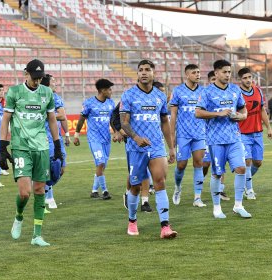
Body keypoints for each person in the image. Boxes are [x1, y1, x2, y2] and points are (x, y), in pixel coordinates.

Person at [0, 59, 63, 247]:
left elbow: (52, 119)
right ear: (25, 74)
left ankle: (37, 235)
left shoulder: (47, 92)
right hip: (21, 147)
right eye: (34, 77)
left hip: (41, 148)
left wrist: (57, 145)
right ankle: (18, 217)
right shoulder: (15, 92)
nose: (37, 81)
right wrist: (3, 147)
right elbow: (5, 120)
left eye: (40, 78)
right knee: (25, 193)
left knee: (39, 190)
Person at [120, 59, 177, 238]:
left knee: (160, 182)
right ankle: (132, 220)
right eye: (141, 70)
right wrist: (136, 138)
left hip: (156, 146)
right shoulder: (128, 95)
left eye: (147, 70)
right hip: (135, 148)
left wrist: (171, 147)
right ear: (137, 74)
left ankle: (165, 227)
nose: (144, 72)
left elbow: (164, 122)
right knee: (135, 186)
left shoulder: (160, 96)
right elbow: (124, 122)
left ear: (153, 73)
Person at [196, 59, 252, 219]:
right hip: (215, 140)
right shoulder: (207, 92)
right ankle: (216, 208)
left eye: (229, 72)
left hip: (234, 138)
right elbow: (198, 112)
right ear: (216, 73)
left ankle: (238, 205)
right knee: (217, 174)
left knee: (241, 168)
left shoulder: (235, 90)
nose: (227, 75)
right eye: (224, 72)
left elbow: (243, 108)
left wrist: (242, 116)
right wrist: (217, 113)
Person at [169, 64, 206, 207]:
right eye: (194, 72)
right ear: (187, 75)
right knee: (181, 165)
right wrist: (172, 137)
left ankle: (197, 197)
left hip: (200, 134)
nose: (197, 75)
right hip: (183, 135)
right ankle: (178, 187)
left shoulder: (203, 91)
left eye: (198, 72)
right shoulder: (177, 91)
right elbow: (173, 116)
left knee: (198, 162)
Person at [73, 79, 115, 200]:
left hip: (106, 139)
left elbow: (112, 120)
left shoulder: (111, 103)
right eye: (109, 89)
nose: (111, 91)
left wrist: (116, 132)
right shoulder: (89, 103)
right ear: (102, 90)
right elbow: (81, 119)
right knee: (100, 162)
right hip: (94, 138)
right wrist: (76, 134)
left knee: (102, 166)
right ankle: (105, 191)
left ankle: (94, 190)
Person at [238, 67, 272, 200]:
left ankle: (244, 182)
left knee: (257, 162)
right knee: (247, 161)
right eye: (245, 78)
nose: (248, 80)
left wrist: (269, 128)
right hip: (242, 133)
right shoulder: (237, 93)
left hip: (257, 132)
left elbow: (262, 110)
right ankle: (249, 190)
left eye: (249, 77)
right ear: (240, 80)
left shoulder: (258, 90)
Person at [41, 74, 70, 210]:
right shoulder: (40, 98)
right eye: (53, 81)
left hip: (57, 138)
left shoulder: (56, 97)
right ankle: (49, 197)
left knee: (61, 168)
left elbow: (62, 116)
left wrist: (67, 134)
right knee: (52, 166)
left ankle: (45, 189)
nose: (56, 83)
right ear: (47, 83)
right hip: (45, 138)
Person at [203, 71, 230, 201]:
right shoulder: (205, 94)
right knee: (205, 164)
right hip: (205, 135)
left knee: (221, 163)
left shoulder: (224, 94)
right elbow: (199, 113)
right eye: (212, 79)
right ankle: (200, 181)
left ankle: (220, 190)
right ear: (209, 81)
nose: (215, 81)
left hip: (219, 136)